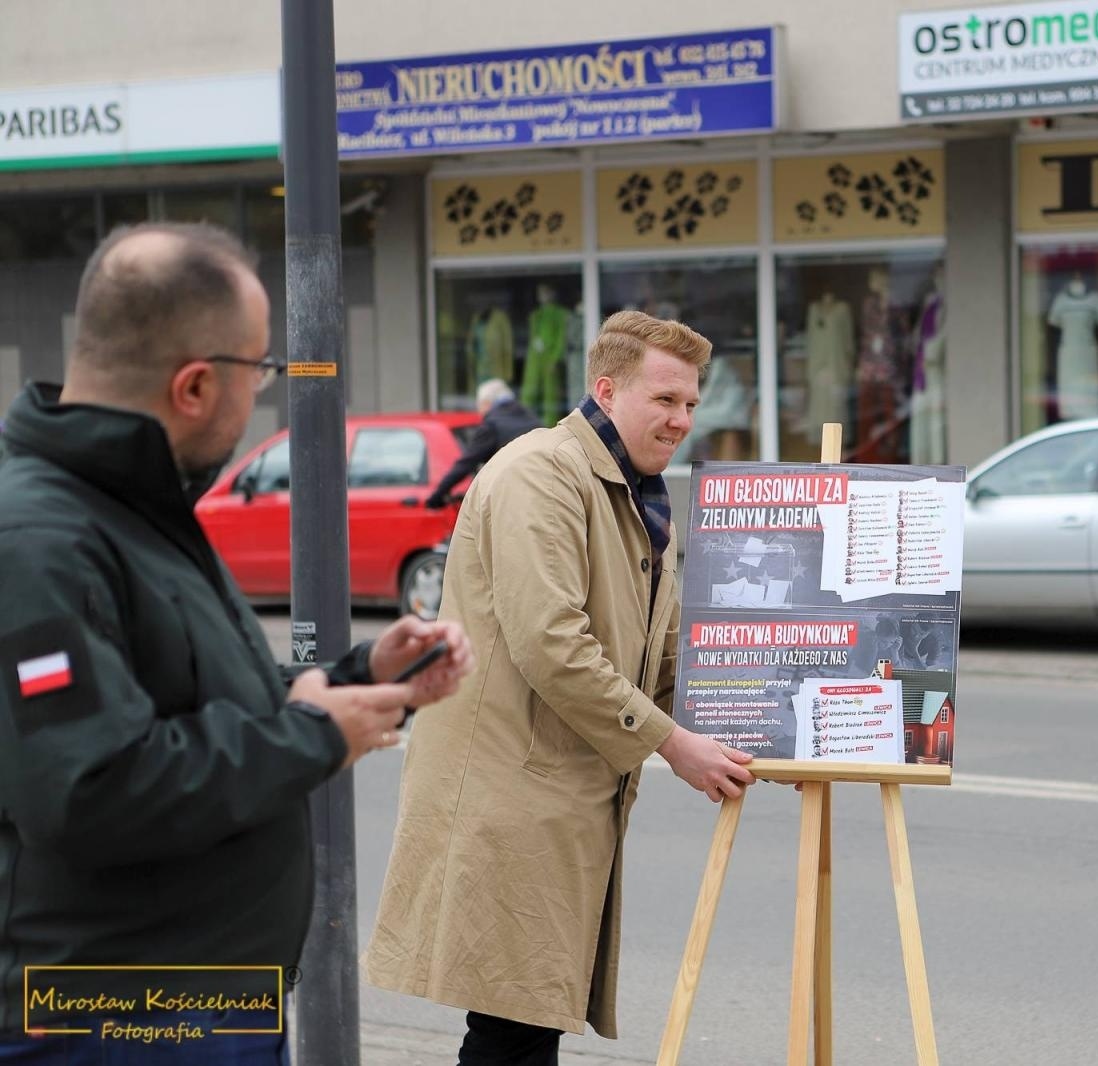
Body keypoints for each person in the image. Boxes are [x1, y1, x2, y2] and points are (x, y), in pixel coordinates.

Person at [0, 222, 474, 1062]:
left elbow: (194, 697)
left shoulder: (133, 502)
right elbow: (89, 790)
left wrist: (358, 672)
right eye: (259, 370)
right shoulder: (40, 535)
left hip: (191, 998)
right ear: (193, 386)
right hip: (110, 1018)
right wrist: (315, 735)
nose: (261, 392)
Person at [364, 310, 755, 1065]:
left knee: (525, 1024)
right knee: (512, 1030)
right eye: (665, 399)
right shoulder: (538, 474)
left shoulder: (637, 494)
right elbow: (553, 644)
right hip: (511, 798)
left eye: (691, 405)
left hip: (560, 801)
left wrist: (773, 729)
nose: (682, 420)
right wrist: (674, 745)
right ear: (606, 390)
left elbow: (665, 654)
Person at [425, 377, 540, 509]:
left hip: (515, 495)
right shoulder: (531, 418)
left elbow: (466, 463)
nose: (479, 411)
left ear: (486, 403)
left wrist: (437, 495)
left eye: (479, 405)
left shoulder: (492, 425)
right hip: (540, 488)